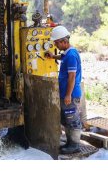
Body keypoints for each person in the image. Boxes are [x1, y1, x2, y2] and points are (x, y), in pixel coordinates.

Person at [45, 25, 82, 154]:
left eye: (56, 43)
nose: (55, 46)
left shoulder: (71, 55)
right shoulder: (69, 53)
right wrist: (53, 57)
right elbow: (63, 58)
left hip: (70, 94)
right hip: (67, 93)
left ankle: (75, 145)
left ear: (63, 41)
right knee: (67, 119)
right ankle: (70, 143)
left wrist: (68, 95)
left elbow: (71, 77)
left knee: (72, 120)